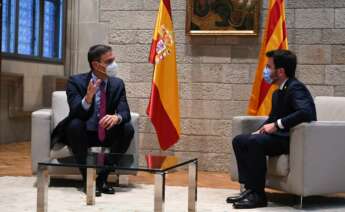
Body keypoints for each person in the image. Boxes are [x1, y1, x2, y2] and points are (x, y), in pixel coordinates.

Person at [227, 49, 317, 209]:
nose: (266, 70)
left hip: (291, 139)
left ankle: (258, 196)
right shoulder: (278, 92)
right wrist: (260, 130)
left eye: (269, 67)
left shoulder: (295, 88)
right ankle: (250, 189)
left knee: (254, 142)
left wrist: (277, 125)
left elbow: (306, 112)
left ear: (280, 71)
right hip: (278, 137)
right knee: (240, 140)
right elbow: (272, 118)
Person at [51, 44, 134, 197]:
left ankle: (102, 178)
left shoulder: (117, 84)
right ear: (96, 64)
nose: (114, 64)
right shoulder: (76, 81)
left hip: (105, 132)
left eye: (113, 60)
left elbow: (125, 111)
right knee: (74, 124)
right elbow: (75, 112)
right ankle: (86, 179)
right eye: (109, 61)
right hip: (83, 134)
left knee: (127, 128)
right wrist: (87, 99)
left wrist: (117, 117)